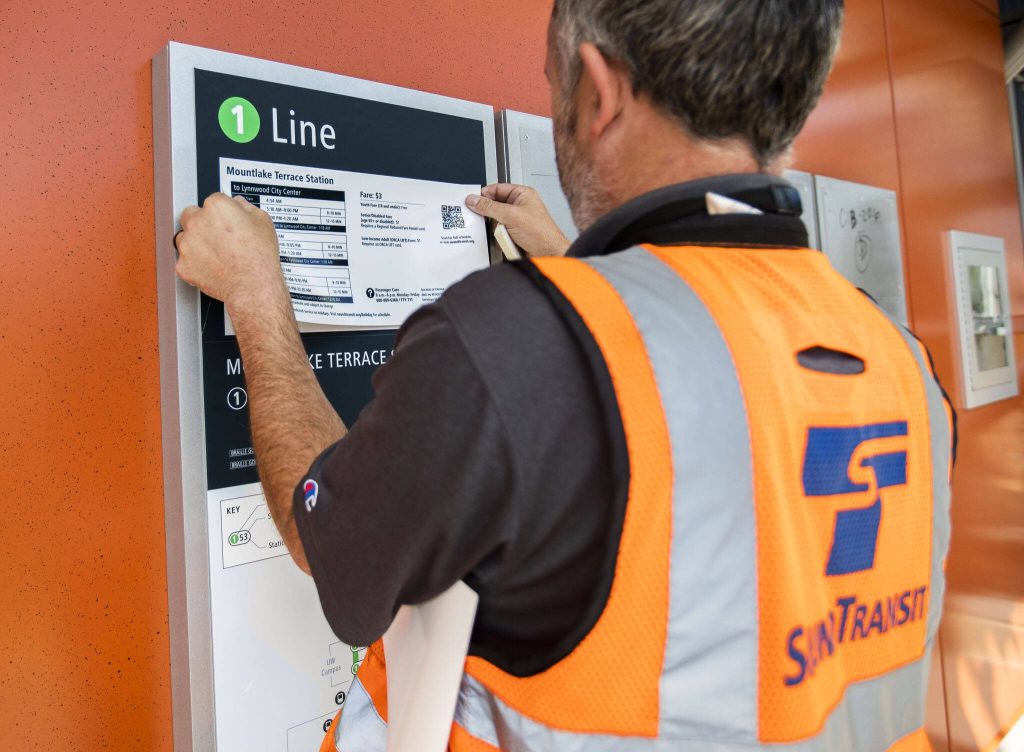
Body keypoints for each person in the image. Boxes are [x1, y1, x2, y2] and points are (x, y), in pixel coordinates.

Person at [174, 0, 956, 749]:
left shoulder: (507, 339)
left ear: (600, 90)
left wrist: (255, 296)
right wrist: (578, 276)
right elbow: (713, 476)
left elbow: (331, 546)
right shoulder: (899, 358)